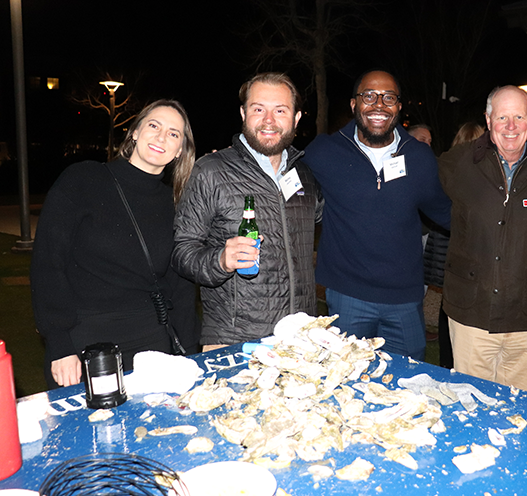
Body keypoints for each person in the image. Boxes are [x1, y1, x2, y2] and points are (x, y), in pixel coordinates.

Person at [30, 100, 200, 388]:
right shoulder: (83, 180)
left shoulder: (175, 206)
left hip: (152, 348)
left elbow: (180, 290)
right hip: (86, 342)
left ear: (180, 150)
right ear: (134, 132)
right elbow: (48, 263)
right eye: (154, 126)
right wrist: (59, 344)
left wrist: (191, 354)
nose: (161, 137)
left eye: (173, 134)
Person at [303, 69, 451, 361]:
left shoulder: (419, 157)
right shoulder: (324, 151)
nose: (379, 104)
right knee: (345, 381)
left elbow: (445, 212)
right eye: (369, 96)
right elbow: (284, 179)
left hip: (404, 300)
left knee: (408, 383)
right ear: (354, 104)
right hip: (347, 297)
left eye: (389, 97)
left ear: (398, 106)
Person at [172, 73, 322, 350]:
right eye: (258, 109)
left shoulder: (306, 176)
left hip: (300, 340)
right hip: (235, 341)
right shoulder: (211, 171)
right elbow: (182, 251)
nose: (269, 120)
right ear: (243, 113)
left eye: (280, 110)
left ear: (296, 118)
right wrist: (220, 260)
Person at [438, 86, 527, 392]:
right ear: (488, 120)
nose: (510, 125)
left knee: (516, 408)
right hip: (471, 314)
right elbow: (424, 201)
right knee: (471, 404)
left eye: (518, 116)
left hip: (526, 316)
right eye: (502, 116)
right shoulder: (457, 163)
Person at [424, 121, 485, 368]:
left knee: (448, 305)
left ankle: (449, 363)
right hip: (457, 248)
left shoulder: (446, 170)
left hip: (443, 247)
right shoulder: (478, 175)